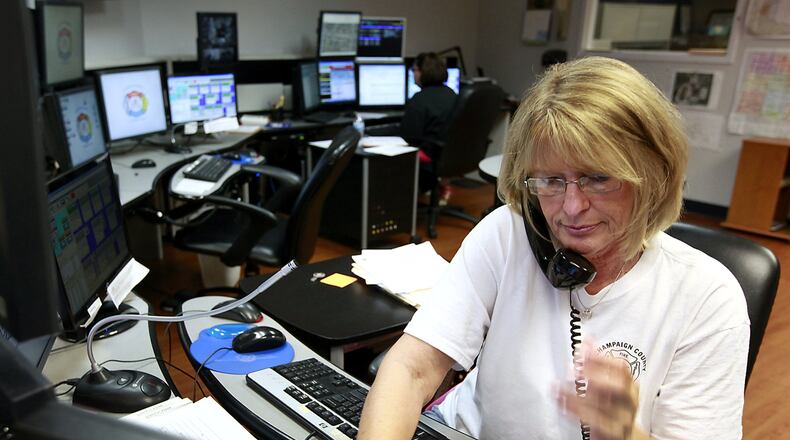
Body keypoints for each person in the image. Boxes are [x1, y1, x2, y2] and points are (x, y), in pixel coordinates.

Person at [358, 57, 749, 439]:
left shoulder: (707, 298)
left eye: (598, 178)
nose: (572, 207)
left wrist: (622, 433)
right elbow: (412, 368)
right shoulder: (508, 233)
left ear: (652, 176)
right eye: (550, 181)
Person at [401, 52, 458, 202]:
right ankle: (437, 188)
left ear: (422, 72)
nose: (413, 74)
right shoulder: (452, 94)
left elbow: (408, 137)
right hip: (451, 156)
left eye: (414, 70)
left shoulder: (419, 99)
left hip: (432, 156)